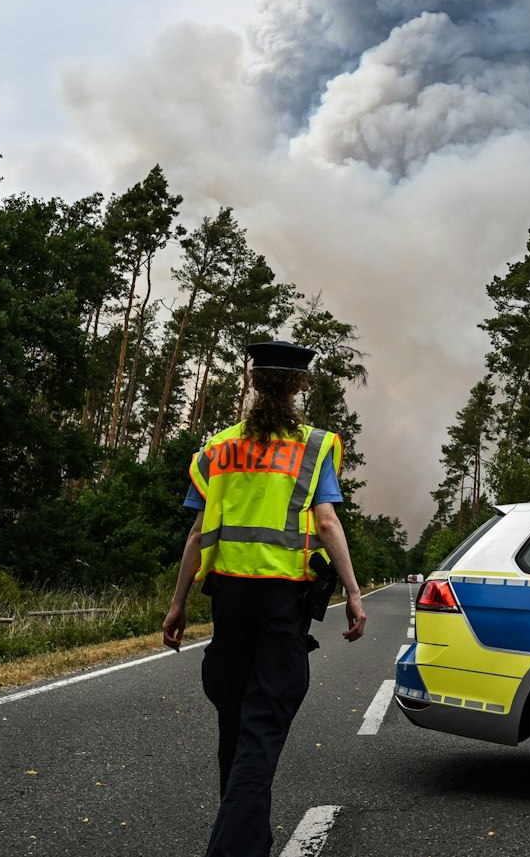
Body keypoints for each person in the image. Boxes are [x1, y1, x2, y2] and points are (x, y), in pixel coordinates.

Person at [162, 339, 368, 857]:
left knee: (234, 725)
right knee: (262, 729)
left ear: (254, 383)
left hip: (228, 602)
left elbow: (196, 534)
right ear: (298, 386)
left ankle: (249, 839)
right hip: (282, 604)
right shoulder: (313, 447)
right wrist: (353, 591)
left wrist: (178, 603)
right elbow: (326, 522)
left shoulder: (217, 448)